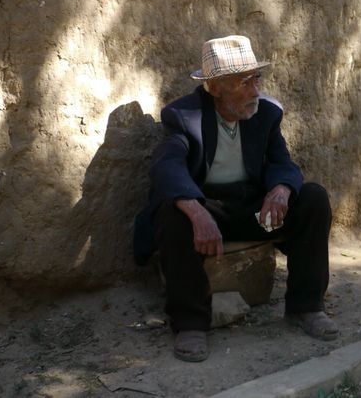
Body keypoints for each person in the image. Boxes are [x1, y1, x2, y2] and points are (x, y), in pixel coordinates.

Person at [133, 35, 337, 362]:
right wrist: (197, 212)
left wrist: (281, 190)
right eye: (244, 82)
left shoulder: (265, 114)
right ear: (215, 88)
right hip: (208, 207)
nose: (255, 90)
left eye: (256, 79)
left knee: (312, 198)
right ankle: (190, 323)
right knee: (174, 214)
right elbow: (166, 167)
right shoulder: (184, 116)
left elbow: (282, 162)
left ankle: (306, 307)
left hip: (254, 209)